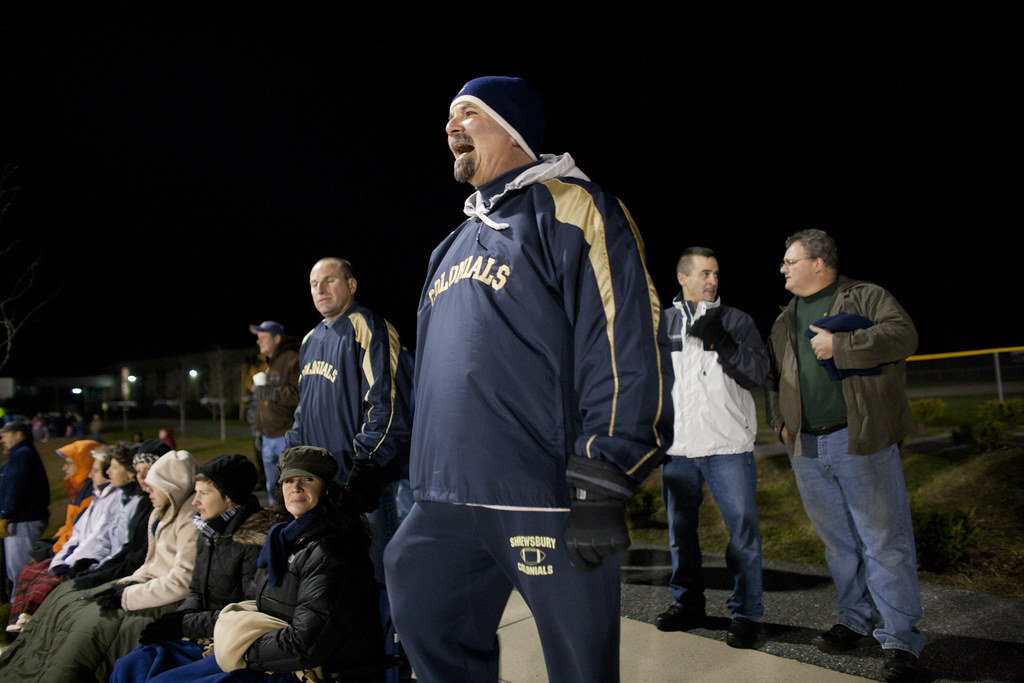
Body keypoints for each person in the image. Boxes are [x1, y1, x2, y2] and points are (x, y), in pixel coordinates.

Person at [383, 76, 672, 682]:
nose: (451, 126)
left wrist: (605, 469)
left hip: (540, 493)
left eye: (469, 113)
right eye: (449, 116)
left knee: (579, 665)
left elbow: (620, 336)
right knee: (420, 607)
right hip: (442, 495)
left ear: (512, 129)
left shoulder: (572, 206)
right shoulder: (448, 247)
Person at [765, 228, 923, 683]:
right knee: (839, 544)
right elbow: (774, 379)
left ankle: (900, 639)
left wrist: (842, 346)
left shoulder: (866, 296)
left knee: (884, 542)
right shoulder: (784, 319)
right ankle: (855, 618)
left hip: (860, 439)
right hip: (806, 447)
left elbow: (904, 336)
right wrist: (781, 423)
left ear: (819, 263)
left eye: (790, 261)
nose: (782, 268)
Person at [138, 446, 384, 682]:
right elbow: (254, 604)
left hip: (302, 670)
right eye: (288, 481)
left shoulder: (332, 552)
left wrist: (242, 651)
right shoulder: (281, 539)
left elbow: (305, 645)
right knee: (145, 666)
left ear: (327, 489)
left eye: (307, 480)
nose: (296, 488)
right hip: (266, 652)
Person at [0, 449, 199, 682]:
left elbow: (180, 580)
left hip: (164, 597)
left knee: (91, 623)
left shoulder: (187, 520)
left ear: (170, 486)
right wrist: (123, 585)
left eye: (152, 482)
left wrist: (125, 596)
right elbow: (148, 562)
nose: (145, 487)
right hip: (146, 586)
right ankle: (29, 659)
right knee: (72, 600)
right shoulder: (161, 512)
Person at [654, 247, 769, 649]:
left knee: (742, 534)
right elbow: (651, 383)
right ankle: (688, 605)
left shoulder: (736, 320)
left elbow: (757, 374)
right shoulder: (662, 323)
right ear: (682, 278)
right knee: (680, 535)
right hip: (678, 450)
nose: (713, 281)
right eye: (704, 273)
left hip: (728, 447)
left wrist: (722, 342)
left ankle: (746, 613)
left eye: (716, 274)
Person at [286, 257, 412, 584]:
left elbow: (386, 403)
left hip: (361, 482)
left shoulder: (367, 326)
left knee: (377, 572)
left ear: (351, 285)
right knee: (336, 573)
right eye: (314, 284)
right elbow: (304, 409)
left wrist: (368, 463)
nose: (320, 289)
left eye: (330, 280)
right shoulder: (310, 340)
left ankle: (389, 618)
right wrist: (292, 455)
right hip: (322, 481)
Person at [109, 453, 270, 682]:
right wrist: (179, 619)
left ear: (228, 497)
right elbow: (195, 591)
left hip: (230, 643)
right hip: (200, 633)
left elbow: (247, 612)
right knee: (131, 664)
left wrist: (183, 624)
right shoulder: (208, 532)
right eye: (196, 492)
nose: (195, 501)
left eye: (204, 493)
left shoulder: (253, 542)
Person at [5, 439, 100, 632]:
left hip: (79, 556)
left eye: (69, 463)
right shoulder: (79, 489)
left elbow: (82, 533)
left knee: (39, 576)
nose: (64, 468)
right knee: (28, 569)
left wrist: (54, 549)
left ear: (84, 463)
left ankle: (31, 625)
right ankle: (19, 623)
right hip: (67, 548)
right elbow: (69, 527)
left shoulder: (91, 493)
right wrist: (54, 542)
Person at [250, 320, 301, 503]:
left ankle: (289, 518)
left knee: (289, 488)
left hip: (284, 437)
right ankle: (276, 518)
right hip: (267, 437)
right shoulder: (271, 362)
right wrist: (258, 430)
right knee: (272, 488)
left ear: (277, 338)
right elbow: (266, 404)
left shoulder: (293, 358)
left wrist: (271, 392)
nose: (258, 341)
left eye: (262, 337)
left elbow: (300, 394)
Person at [0, 421, 50, 599]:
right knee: (16, 569)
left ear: (18, 435)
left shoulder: (23, 454)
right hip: (21, 518)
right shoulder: (19, 454)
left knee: (22, 570)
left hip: (24, 519)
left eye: (5, 435)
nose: (2, 440)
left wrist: (5, 514)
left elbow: (16, 486)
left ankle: (25, 606)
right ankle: (20, 604)